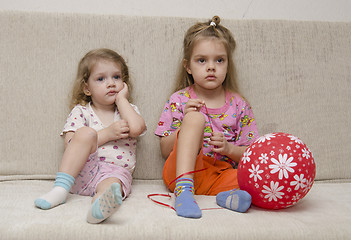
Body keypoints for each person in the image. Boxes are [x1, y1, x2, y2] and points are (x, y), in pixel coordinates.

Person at [155, 16, 259, 218]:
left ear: (228, 64)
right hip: (179, 172)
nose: (211, 67)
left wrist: (229, 149)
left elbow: (250, 155)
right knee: (195, 119)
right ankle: (184, 192)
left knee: (257, 177)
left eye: (219, 60)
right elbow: (165, 150)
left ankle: (225, 197)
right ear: (188, 66)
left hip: (219, 175)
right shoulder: (180, 100)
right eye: (201, 60)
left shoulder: (239, 104)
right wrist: (185, 125)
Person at [34, 48, 146, 223]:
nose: (111, 83)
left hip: (114, 172)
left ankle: (99, 208)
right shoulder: (81, 112)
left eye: (116, 77)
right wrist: (108, 133)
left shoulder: (127, 110)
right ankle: (60, 190)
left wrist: (122, 100)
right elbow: (71, 144)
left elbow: (137, 128)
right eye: (101, 79)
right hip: (81, 172)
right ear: (87, 88)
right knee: (85, 133)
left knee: (111, 187)